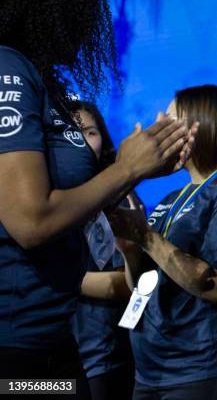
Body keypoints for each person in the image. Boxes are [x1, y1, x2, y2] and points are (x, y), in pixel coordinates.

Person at [0, 0, 194, 397]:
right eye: (87, 5)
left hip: (54, 343)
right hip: (16, 353)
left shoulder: (41, 79)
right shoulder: (8, 68)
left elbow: (69, 204)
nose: (95, 20)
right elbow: (30, 222)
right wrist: (124, 169)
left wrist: (138, 170)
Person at [110, 85, 217, 400]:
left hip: (205, 373)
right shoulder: (171, 198)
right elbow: (141, 284)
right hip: (151, 372)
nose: (158, 130)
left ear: (199, 127)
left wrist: (146, 236)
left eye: (169, 120)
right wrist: (131, 252)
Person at [71, 101, 137, 400]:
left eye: (89, 131)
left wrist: (62, 277)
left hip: (112, 357)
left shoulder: (121, 197)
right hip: (54, 362)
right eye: (71, 133)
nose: (81, 141)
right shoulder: (37, 199)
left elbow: (132, 284)